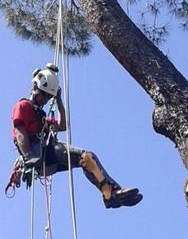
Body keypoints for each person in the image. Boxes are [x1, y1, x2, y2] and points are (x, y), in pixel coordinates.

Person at [11, 63, 142, 209]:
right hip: (40, 154)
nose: (45, 99)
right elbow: (19, 132)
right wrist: (29, 156)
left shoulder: (41, 117)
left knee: (86, 159)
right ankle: (111, 193)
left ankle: (110, 194)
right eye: (43, 94)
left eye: (48, 96)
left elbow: (63, 125)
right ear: (35, 88)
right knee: (85, 156)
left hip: (48, 159)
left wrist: (59, 101)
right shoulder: (23, 106)